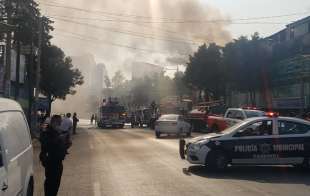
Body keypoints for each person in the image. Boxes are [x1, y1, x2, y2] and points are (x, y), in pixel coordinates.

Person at [40, 115, 67, 196]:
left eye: (60, 123)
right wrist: (59, 139)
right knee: (50, 184)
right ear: (53, 123)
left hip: (58, 162)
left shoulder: (57, 132)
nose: (60, 125)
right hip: (51, 162)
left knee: (56, 185)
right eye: (59, 123)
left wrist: (66, 143)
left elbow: (60, 147)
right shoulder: (47, 132)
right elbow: (45, 145)